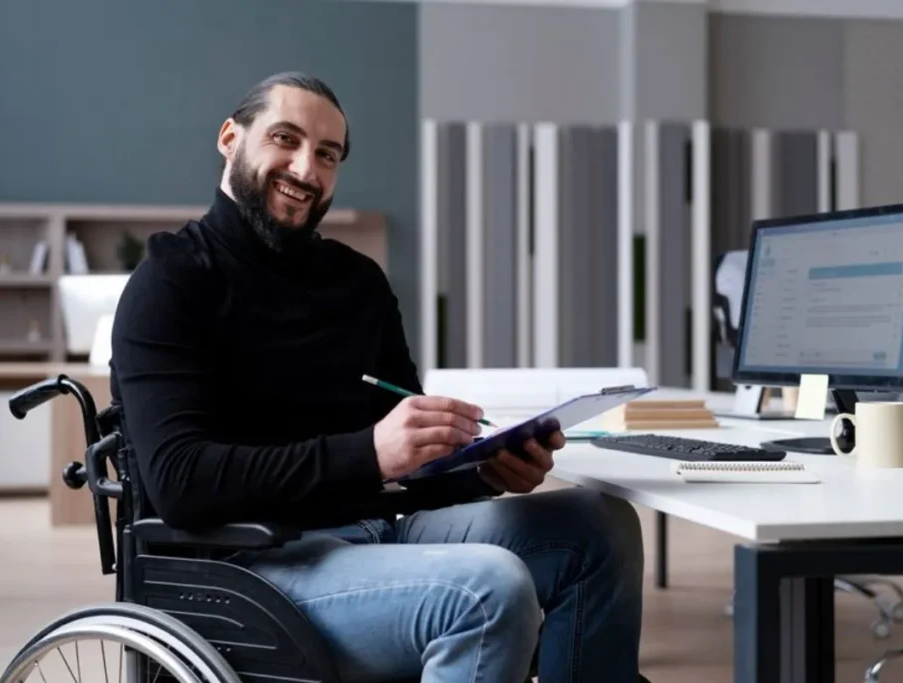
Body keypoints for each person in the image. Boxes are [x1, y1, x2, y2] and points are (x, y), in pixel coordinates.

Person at [110, 71, 645, 682]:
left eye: (327, 154)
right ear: (231, 138)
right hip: (249, 564)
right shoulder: (170, 281)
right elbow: (180, 484)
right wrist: (369, 453)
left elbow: (408, 470)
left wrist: (482, 469)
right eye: (285, 139)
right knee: (485, 590)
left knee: (599, 526)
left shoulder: (357, 282)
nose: (306, 169)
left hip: (380, 534)